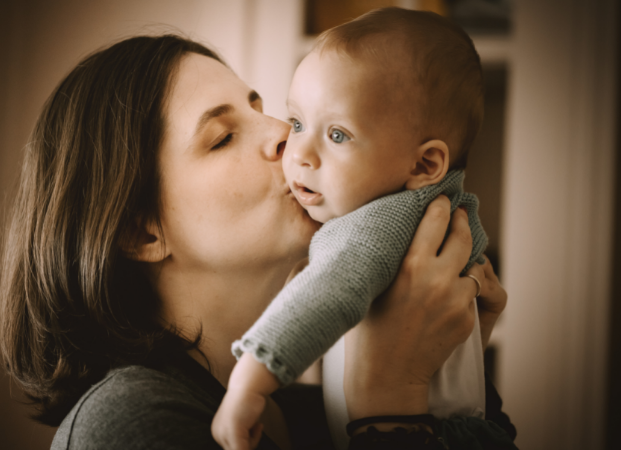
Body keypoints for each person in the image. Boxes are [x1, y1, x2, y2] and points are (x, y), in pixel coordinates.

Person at [0, 33, 513, 450]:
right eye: (222, 137)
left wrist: (458, 361)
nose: (284, 136)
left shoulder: (311, 418)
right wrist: (388, 405)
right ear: (142, 231)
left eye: (267, 110)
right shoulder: (128, 424)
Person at [213, 9, 504, 450]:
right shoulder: (445, 208)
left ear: (425, 164)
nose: (298, 153)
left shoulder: (378, 225)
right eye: (297, 123)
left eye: (338, 135)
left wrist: (250, 381)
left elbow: (325, 294)